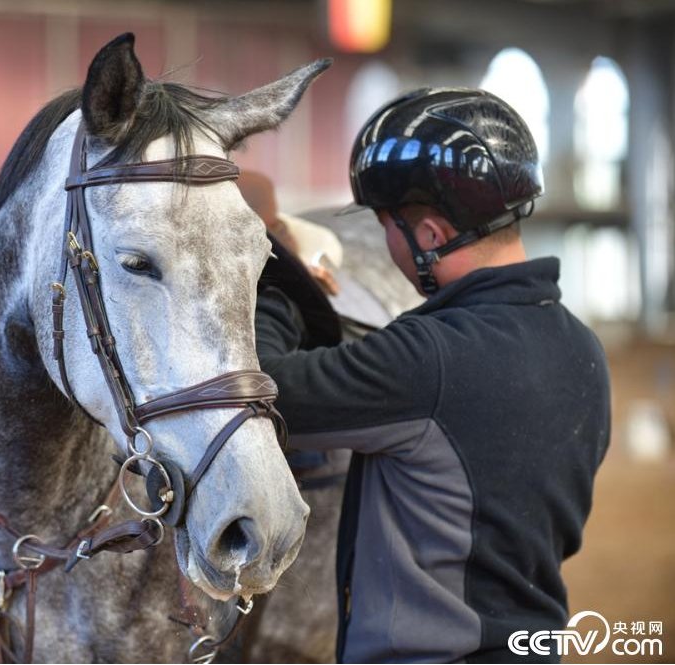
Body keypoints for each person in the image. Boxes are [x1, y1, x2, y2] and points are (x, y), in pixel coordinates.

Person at [255, 88, 611, 663]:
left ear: (429, 236)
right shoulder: (584, 350)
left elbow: (266, 391)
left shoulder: (427, 359)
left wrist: (281, 287)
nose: (386, 242)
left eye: (385, 226)